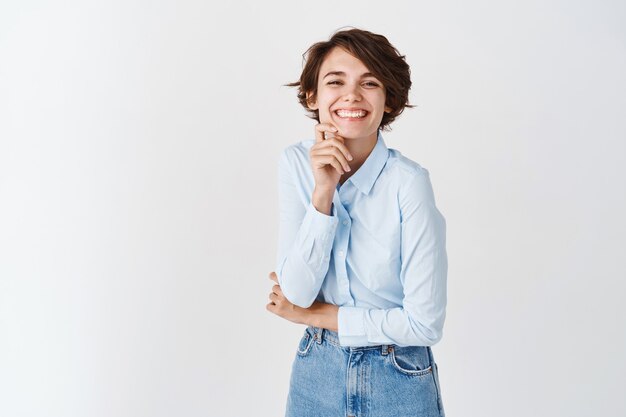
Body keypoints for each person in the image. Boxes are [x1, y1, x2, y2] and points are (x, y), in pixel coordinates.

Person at [266, 27, 447, 417]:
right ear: (313, 95)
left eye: (370, 83)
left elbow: (424, 324)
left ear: (389, 99)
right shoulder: (296, 164)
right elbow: (296, 292)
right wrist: (323, 193)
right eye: (336, 81)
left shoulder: (409, 183)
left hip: (398, 374)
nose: (352, 95)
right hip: (317, 371)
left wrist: (319, 316)